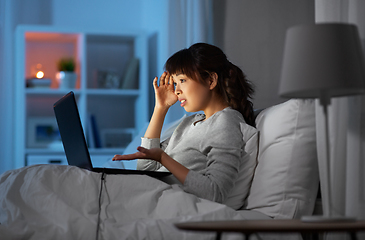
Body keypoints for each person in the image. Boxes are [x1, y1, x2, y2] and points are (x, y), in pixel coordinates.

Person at [113, 43, 255, 209]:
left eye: (182, 80)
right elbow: (146, 168)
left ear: (210, 80)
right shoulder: (190, 122)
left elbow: (216, 193)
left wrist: (163, 157)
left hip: (162, 205)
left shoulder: (226, 122)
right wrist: (160, 108)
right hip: (145, 196)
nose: (176, 90)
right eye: (174, 82)